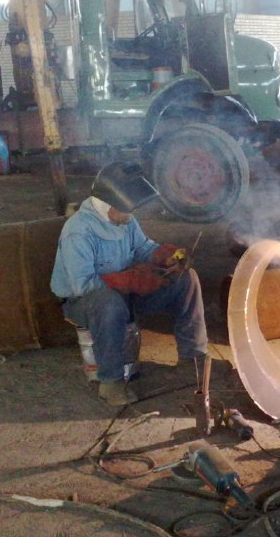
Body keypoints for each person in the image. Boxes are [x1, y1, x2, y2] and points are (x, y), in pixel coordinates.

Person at [51, 161, 208, 406]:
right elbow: (82, 285)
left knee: (186, 280)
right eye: (127, 210)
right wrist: (133, 280)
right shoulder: (78, 231)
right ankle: (111, 383)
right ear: (110, 205)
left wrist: (168, 256)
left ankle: (193, 359)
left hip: (124, 294)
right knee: (108, 303)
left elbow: (143, 247)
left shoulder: (124, 219)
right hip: (83, 303)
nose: (131, 215)